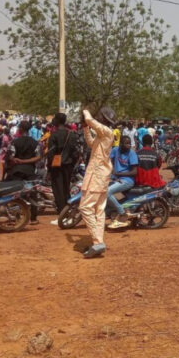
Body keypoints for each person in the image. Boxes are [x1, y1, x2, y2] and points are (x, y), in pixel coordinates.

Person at [79, 107, 117, 259]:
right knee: (99, 210)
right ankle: (98, 241)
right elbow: (91, 144)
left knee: (85, 207)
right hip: (99, 175)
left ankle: (98, 242)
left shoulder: (107, 132)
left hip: (97, 176)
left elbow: (89, 119)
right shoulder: (103, 135)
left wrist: (85, 110)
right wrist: (85, 129)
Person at [5, 120, 42, 224]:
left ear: (20, 129)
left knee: (14, 193)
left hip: (16, 171)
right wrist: (26, 161)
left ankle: (14, 216)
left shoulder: (14, 142)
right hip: (30, 171)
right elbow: (38, 157)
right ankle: (33, 218)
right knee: (32, 193)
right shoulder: (35, 143)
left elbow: (10, 156)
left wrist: (18, 161)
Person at [47, 113, 78, 222]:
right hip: (68, 166)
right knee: (66, 189)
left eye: (54, 118)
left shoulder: (54, 135)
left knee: (58, 190)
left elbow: (50, 154)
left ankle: (62, 215)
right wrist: (72, 164)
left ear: (57, 120)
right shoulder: (72, 135)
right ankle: (68, 213)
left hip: (56, 166)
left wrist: (49, 169)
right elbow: (75, 153)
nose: (53, 120)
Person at [107, 135, 139, 228]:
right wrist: (112, 172)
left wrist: (118, 174)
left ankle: (121, 212)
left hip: (127, 180)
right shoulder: (115, 150)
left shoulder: (132, 153)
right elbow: (110, 162)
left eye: (130, 143)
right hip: (115, 179)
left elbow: (134, 172)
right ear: (121, 144)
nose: (129, 145)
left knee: (107, 192)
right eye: (126, 143)